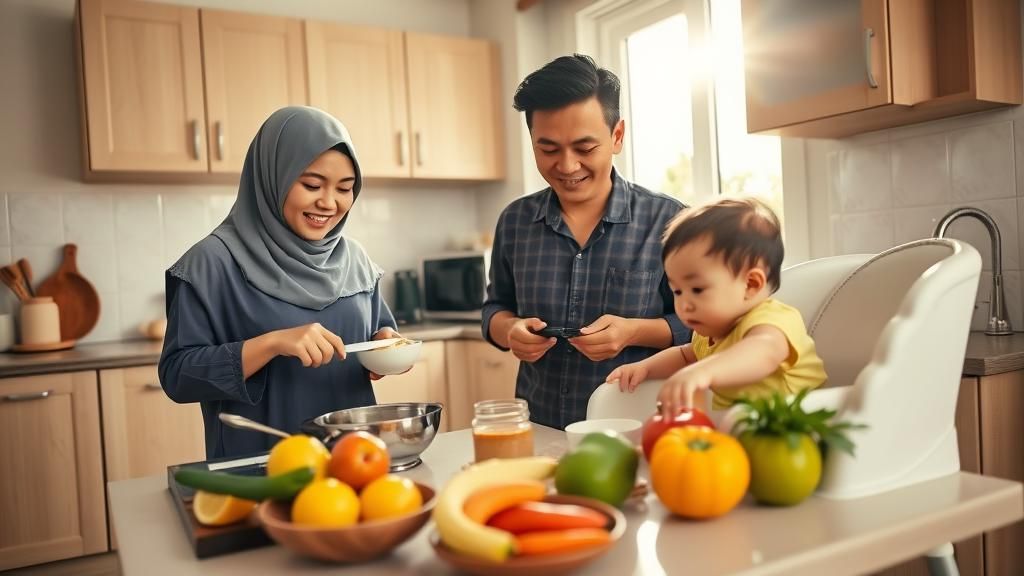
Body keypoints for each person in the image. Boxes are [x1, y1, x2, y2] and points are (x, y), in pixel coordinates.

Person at [159, 106, 402, 458]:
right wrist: (271, 344)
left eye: (345, 189)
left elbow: (379, 332)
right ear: (273, 176)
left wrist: (386, 345)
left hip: (353, 462)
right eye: (312, 185)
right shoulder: (211, 262)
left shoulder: (356, 260)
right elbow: (177, 376)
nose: (329, 203)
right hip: (262, 468)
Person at [482, 54, 689, 430]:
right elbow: (495, 307)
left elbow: (702, 327)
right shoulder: (515, 222)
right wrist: (509, 330)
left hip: (636, 430)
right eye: (547, 149)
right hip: (539, 427)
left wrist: (633, 332)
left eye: (584, 148)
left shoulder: (671, 222)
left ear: (617, 136)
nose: (566, 165)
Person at [606, 197, 828, 418]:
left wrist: (703, 371)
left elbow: (763, 352)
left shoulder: (771, 322)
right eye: (677, 291)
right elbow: (685, 355)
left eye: (698, 289)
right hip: (744, 430)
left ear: (750, 284)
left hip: (798, 431)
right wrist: (645, 368)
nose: (684, 304)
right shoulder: (709, 333)